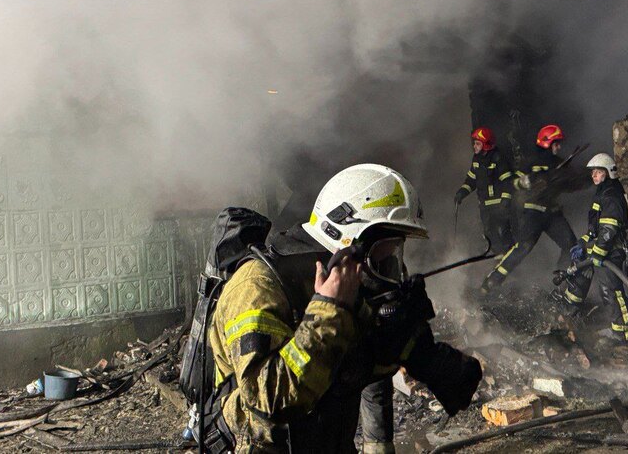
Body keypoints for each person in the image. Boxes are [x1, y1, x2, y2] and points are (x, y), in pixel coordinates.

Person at [206, 164, 482, 453]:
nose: (390, 268)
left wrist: (426, 356)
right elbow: (268, 399)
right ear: (345, 241)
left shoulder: (351, 292)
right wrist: (329, 311)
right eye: (382, 256)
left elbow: (359, 361)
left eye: (393, 256)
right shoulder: (257, 286)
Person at [482, 124, 586, 292]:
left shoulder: (559, 164)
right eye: (556, 143)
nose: (558, 147)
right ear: (546, 142)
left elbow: (573, 183)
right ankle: (492, 282)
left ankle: (561, 281)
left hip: (552, 213)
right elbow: (512, 183)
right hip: (533, 212)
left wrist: (574, 177)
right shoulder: (531, 162)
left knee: (571, 245)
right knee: (523, 247)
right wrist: (528, 182)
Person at [561, 153, 628, 343]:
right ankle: (565, 318)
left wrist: (596, 254)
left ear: (608, 173)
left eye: (598, 172)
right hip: (600, 251)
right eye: (593, 172)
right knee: (578, 279)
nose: (594, 175)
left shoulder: (611, 195)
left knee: (611, 292)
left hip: (611, 253)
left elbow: (608, 231)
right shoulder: (601, 194)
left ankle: (625, 336)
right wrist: (582, 243)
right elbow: (595, 231)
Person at [453, 127, 514, 255]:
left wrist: (505, 200)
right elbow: (471, 180)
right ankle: (499, 256)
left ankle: (510, 255)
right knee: (489, 233)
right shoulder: (476, 160)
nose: (474, 146)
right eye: (474, 143)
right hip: (485, 206)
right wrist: (461, 193)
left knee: (504, 231)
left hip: (500, 205)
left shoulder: (498, 158)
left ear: (486, 145)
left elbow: (507, 181)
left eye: (478, 143)